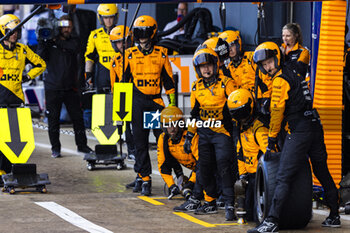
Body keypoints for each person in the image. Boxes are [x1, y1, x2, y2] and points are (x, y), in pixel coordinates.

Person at [248, 41, 340, 233]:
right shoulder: (296, 72)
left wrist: (272, 138)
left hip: (300, 130)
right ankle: (334, 215)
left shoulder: (280, 80)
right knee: (322, 171)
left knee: (282, 176)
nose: (268, 67)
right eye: (264, 65)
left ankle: (271, 220)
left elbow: (276, 111)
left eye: (270, 62)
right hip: (315, 125)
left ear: (278, 58)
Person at [122, 15, 175, 196]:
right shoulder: (129, 55)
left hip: (155, 102)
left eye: (145, 32)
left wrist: (172, 109)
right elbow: (123, 85)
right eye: (138, 33)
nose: (142, 37)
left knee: (163, 142)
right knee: (140, 143)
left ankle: (172, 178)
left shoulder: (162, 53)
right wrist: (122, 113)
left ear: (152, 33)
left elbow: (169, 84)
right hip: (137, 102)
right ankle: (145, 178)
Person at [185, 47, 237, 221]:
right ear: (198, 69)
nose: (206, 69)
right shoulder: (196, 87)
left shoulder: (227, 83)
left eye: (209, 65)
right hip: (204, 133)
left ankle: (230, 203)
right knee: (204, 168)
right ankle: (211, 202)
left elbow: (238, 106)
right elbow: (194, 115)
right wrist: (189, 136)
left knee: (223, 165)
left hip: (223, 132)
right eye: (202, 67)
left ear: (216, 65)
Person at [37, 15, 92, 158]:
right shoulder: (49, 42)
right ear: (59, 27)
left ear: (72, 27)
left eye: (69, 26)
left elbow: (75, 48)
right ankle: (55, 148)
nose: (67, 29)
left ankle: (82, 146)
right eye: (64, 26)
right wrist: (43, 41)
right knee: (53, 120)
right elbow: (40, 57)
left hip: (71, 88)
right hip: (52, 88)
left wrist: (56, 41)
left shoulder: (74, 41)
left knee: (78, 119)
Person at [0, 14, 46, 173]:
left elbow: (41, 64)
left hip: (17, 100)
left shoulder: (23, 50)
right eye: (11, 31)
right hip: (0, 100)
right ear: (3, 30)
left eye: (17, 31)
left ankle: (11, 171)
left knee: (14, 138)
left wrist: (27, 76)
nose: (15, 34)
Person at [227, 88, 268, 222]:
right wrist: (242, 174)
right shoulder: (240, 129)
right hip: (250, 176)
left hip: (261, 177)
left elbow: (270, 155)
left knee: (258, 218)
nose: (241, 118)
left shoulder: (259, 128)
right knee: (248, 214)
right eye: (237, 115)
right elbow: (240, 155)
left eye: (242, 113)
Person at [157, 106, 204, 212]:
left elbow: (202, 163)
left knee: (203, 192)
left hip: (206, 169)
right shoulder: (163, 139)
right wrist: (172, 185)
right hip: (196, 171)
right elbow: (163, 165)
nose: (172, 129)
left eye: (174, 124)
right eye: (168, 125)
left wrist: (191, 182)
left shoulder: (191, 136)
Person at [109, 25, 136, 160]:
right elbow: (113, 84)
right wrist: (116, 98)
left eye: (124, 41)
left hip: (138, 92)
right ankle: (131, 149)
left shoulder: (136, 55)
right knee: (126, 125)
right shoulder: (114, 61)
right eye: (118, 42)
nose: (122, 44)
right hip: (123, 94)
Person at [85, 4, 118, 93]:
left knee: (121, 105)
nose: (108, 20)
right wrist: (88, 76)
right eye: (105, 17)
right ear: (101, 18)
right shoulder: (95, 35)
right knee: (101, 104)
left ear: (115, 17)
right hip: (102, 75)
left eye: (111, 17)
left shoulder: (123, 32)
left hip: (120, 74)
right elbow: (89, 57)